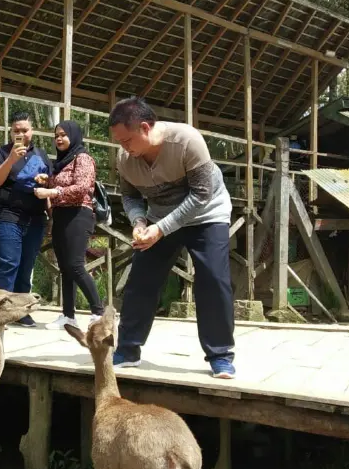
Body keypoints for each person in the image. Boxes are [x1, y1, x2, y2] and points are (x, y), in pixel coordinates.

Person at [108, 97, 236, 379]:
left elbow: (202, 195)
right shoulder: (125, 158)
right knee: (141, 280)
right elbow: (130, 197)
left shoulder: (187, 140)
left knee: (213, 280)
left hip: (208, 214)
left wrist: (161, 229)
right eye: (119, 142)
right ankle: (128, 349)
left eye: (127, 140)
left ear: (145, 127)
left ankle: (221, 355)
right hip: (158, 219)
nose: (124, 148)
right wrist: (139, 222)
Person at [33, 120, 105, 330]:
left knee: (75, 265)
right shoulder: (62, 162)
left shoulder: (83, 158)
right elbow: (62, 182)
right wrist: (47, 180)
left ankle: (98, 313)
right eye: (56, 135)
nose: (59, 139)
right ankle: (68, 316)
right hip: (61, 215)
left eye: (63, 134)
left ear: (73, 136)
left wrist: (52, 192)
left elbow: (83, 186)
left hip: (79, 214)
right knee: (65, 268)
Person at [0, 111, 52, 328]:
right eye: (16, 130)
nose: (20, 133)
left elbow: (51, 186)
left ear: (32, 131)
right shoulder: (1, 153)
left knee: (26, 265)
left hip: (35, 218)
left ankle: (21, 310)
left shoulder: (42, 155)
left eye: (25, 130)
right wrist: (12, 159)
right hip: (7, 216)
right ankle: (1, 311)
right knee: (8, 263)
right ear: (11, 132)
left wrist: (51, 211)